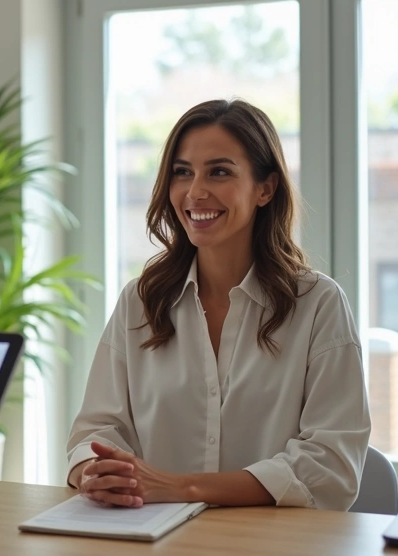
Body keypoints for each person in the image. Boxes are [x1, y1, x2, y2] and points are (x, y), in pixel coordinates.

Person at [66, 99, 370, 511]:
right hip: (148, 536)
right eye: (182, 172)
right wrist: (94, 472)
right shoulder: (140, 301)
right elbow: (96, 431)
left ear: (266, 188)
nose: (195, 192)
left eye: (219, 172)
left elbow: (330, 465)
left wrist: (183, 487)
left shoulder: (318, 304)